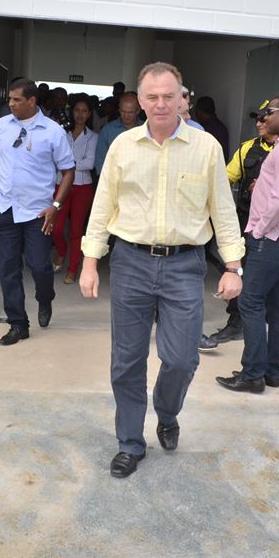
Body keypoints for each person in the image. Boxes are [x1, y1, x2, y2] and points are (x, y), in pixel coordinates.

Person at [80, 62, 245, 478]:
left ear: (182, 98)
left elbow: (223, 210)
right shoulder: (123, 146)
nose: (160, 104)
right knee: (127, 361)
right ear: (140, 100)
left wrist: (233, 266)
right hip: (131, 263)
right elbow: (103, 206)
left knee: (182, 359)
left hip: (184, 266)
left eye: (168, 96)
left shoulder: (205, 147)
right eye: (151, 97)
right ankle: (130, 443)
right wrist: (90, 261)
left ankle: (167, 413)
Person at [216, 94, 279, 393]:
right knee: (277, 304)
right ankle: (271, 372)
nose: (263, 118)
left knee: (250, 302)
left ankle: (252, 375)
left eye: (269, 112)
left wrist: (259, 230)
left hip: (275, 239)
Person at [0, 79, 75, 346]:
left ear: (32, 101)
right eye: (9, 99)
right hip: (5, 208)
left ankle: (45, 298)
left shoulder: (53, 132)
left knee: (39, 265)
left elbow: (68, 171)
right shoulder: (1, 126)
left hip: (37, 213)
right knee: (8, 269)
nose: (10, 104)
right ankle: (18, 324)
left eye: (16, 100)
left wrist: (55, 206)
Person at [199, 102, 277, 352]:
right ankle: (235, 322)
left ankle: (263, 328)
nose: (259, 123)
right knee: (238, 271)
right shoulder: (247, 149)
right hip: (246, 220)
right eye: (257, 118)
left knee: (266, 281)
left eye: (264, 118)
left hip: (275, 226)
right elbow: (224, 179)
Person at [51, 96, 97, 284]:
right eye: (77, 110)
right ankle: (62, 252)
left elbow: (90, 163)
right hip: (61, 184)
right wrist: (74, 164)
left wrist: (67, 164)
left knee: (76, 231)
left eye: (84, 111)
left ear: (89, 114)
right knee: (56, 227)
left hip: (83, 187)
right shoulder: (62, 133)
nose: (80, 114)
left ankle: (73, 268)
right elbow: (54, 158)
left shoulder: (93, 137)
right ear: (72, 111)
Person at [94, 92, 141, 176]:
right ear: (119, 109)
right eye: (123, 111)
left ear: (138, 111)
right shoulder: (107, 130)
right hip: (113, 180)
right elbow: (100, 160)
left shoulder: (147, 130)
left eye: (130, 112)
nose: (126, 116)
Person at [193, 96, 230, 160]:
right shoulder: (221, 128)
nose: (195, 113)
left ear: (200, 112)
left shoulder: (204, 129)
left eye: (196, 110)